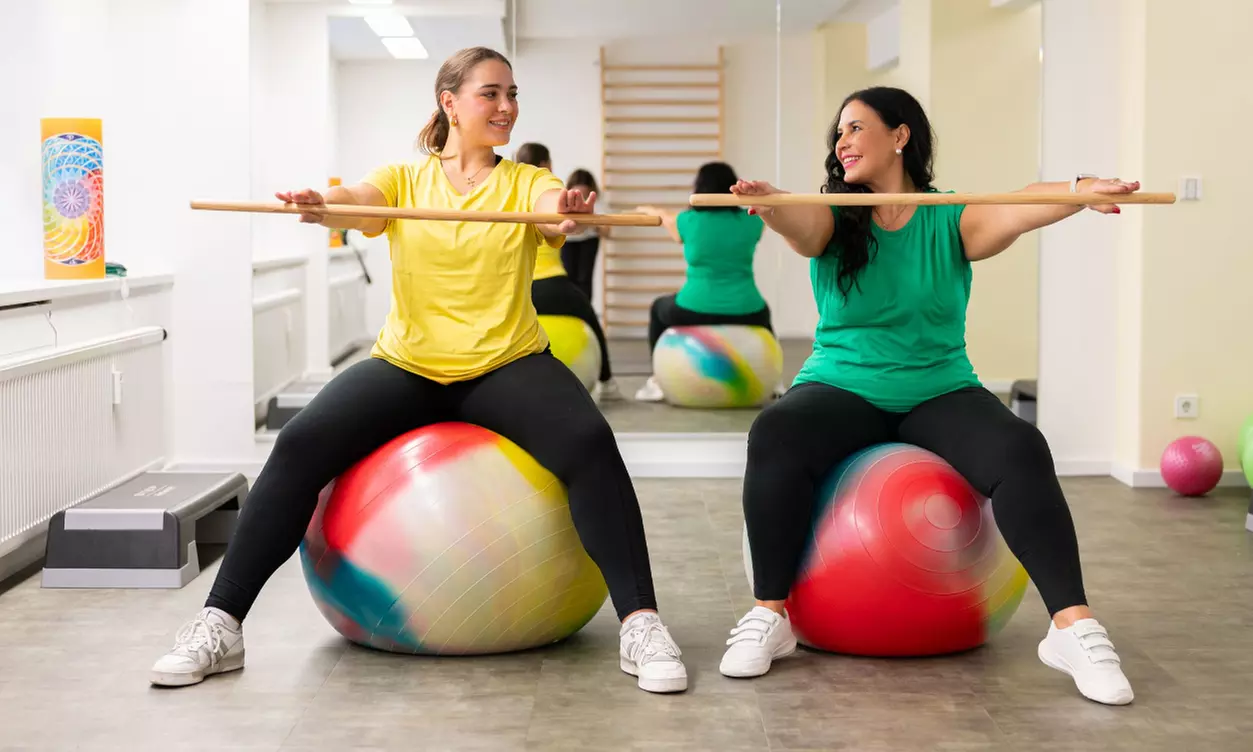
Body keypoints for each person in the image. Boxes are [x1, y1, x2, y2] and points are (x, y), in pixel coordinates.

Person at [149, 46, 686, 695]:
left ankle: (640, 622)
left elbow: (552, 211)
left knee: (590, 442)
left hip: (505, 363)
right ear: (449, 101)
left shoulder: (521, 183)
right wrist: (325, 203)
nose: (506, 107)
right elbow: (359, 203)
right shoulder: (406, 181)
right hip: (408, 365)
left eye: (512, 94)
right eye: (491, 93)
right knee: (297, 446)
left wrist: (565, 206)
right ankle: (220, 623)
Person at [718, 86, 1137, 707]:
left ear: (901, 136)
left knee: (1020, 447)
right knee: (775, 433)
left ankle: (1073, 628)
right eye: (839, 133)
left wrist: (1076, 193)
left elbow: (1016, 207)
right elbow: (805, 231)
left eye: (857, 128)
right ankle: (771, 614)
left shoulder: (948, 215)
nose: (843, 143)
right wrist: (775, 205)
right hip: (842, 385)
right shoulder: (833, 211)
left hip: (939, 388)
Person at [633, 162, 774, 403]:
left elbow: (667, 220)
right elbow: (771, 208)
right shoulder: (752, 221)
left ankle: (657, 379)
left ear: (700, 188)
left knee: (658, 308)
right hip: (746, 310)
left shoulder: (688, 221)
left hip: (693, 309)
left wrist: (649, 209)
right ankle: (773, 381)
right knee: (765, 312)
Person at [514, 142, 622, 402]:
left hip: (516, 289)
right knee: (590, 317)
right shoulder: (549, 190)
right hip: (550, 285)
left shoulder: (506, 191)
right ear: (547, 165)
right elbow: (567, 224)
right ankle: (607, 383)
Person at [561, 168, 604, 302]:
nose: (582, 200)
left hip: (589, 241)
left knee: (584, 278)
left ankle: (584, 309)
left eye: (585, 196)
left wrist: (592, 222)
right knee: (568, 277)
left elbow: (606, 231)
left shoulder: (599, 201)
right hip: (568, 241)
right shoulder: (562, 200)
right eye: (577, 196)